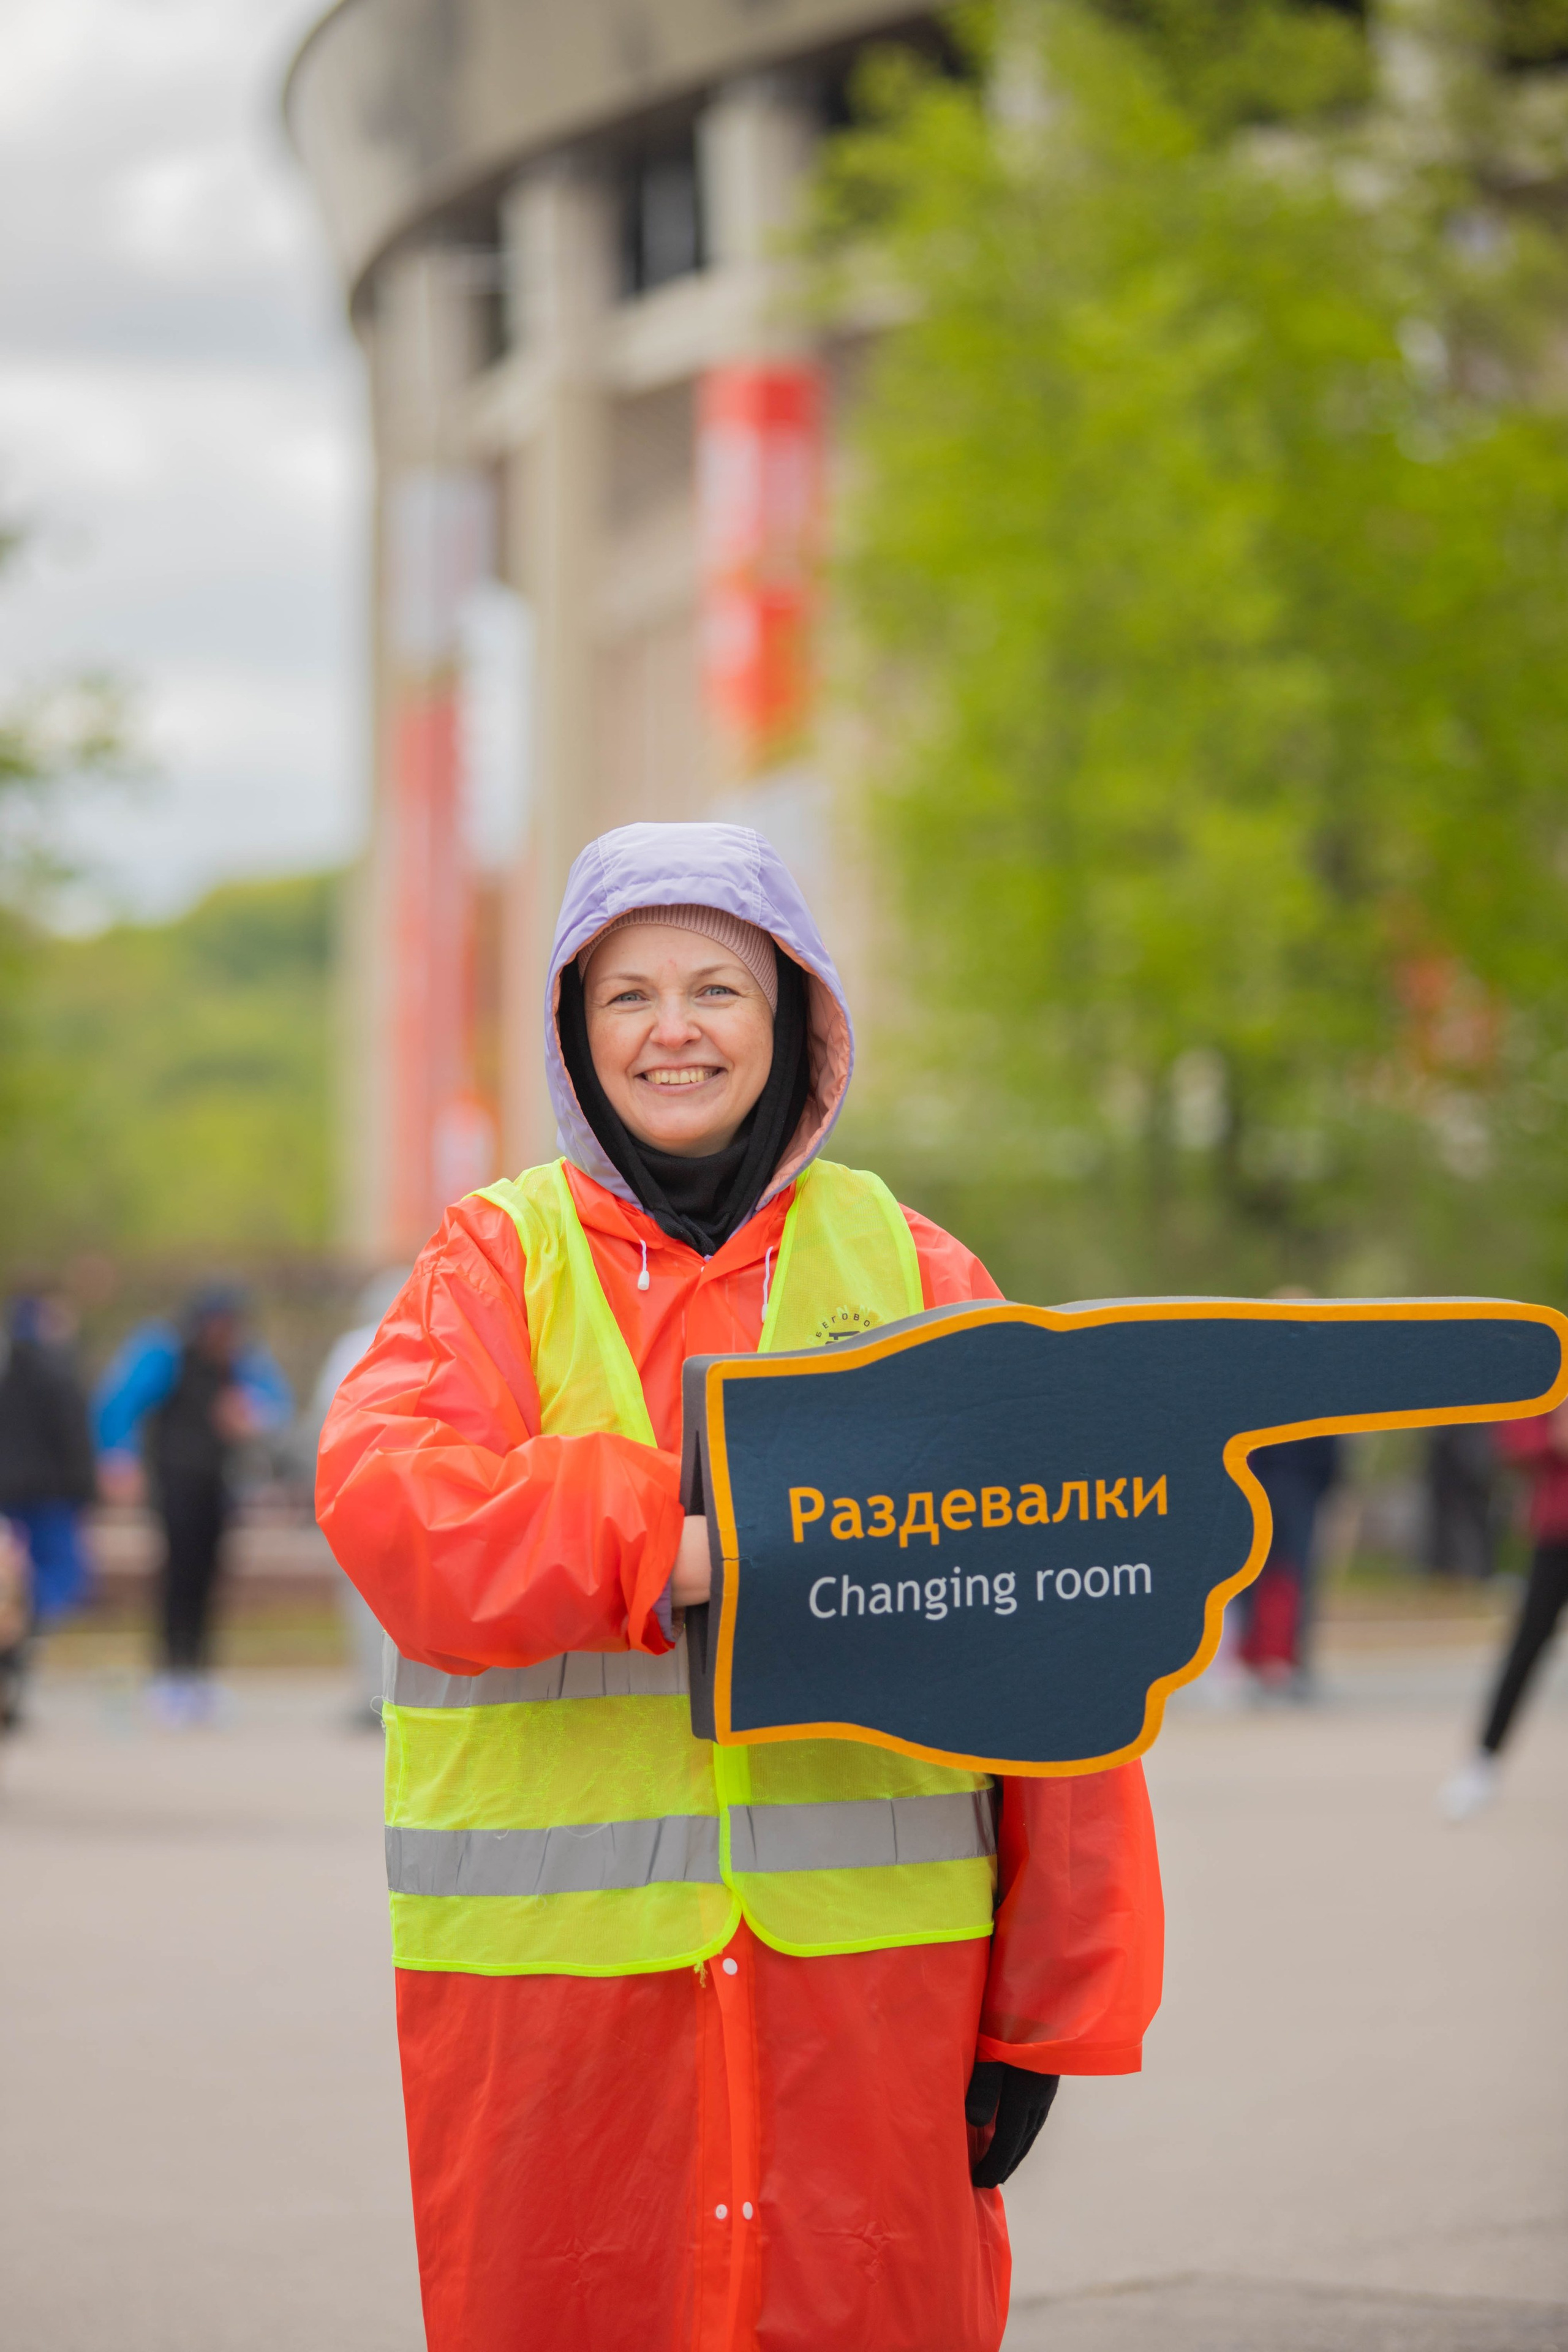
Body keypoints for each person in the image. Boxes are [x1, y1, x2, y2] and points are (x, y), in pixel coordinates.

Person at [318, 822, 1164, 2352]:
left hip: (864, 1998)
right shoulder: (493, 1264)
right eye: (626, 995)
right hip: (559, 2024)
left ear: (792, 1017)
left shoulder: (915, 1272)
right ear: (574, 1034)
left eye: (716, 986)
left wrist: (1052, 2010)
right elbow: (396, 1506)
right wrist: (676, 1540)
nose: (673, 1029)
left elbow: (1056, 1642)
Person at [94, 1284, 291, 1725]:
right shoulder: (165, 1352)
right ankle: (169, 1673)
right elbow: (120, 1404)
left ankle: (200, 1673)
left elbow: (275, 1404)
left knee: (210, 1578)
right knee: (177, 1578)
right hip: (175, 1482)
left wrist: (252, 1415)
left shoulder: (242, 1360)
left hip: (220, 1486)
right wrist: (118, 1457)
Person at [1441, 1402, 1568, 1821]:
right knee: (1528, 1643)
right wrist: (1552, 1437)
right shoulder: (1552, 1363)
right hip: (1558, 1528)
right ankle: (1484, 1760)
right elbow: (1515, 1437)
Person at [297, 1267, 410, 1728]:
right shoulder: (432, 1335)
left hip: (357, 1492)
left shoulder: (353, 1346)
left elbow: (322, 1425)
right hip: (412, 1491)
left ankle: (373, 1694)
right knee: (410, 1600)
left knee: (364, 1599)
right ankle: (400, 1694)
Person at [0, 1289, 97, 1729]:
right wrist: (86, 1491)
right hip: (47, 1499)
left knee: (18, 1595)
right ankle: (16, 1665)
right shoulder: (55, 1370)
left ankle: (15, 1668)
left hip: (18, 1495)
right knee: (36, 1595)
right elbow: (74, 1435)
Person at [1237, 1433, 1341, 1696]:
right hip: (1282, 1482)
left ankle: (1276, 1660)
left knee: (1283, 1576)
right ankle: (1265, 1659)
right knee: (1269, 1575)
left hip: (1284, 1481)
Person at [1423, 1422, 1498, 1582]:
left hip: (1465, 1470)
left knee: (1465, 1523)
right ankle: (1452, 1570)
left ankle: (1464, 1571)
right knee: (1455, 1521)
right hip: (1461, 1469)